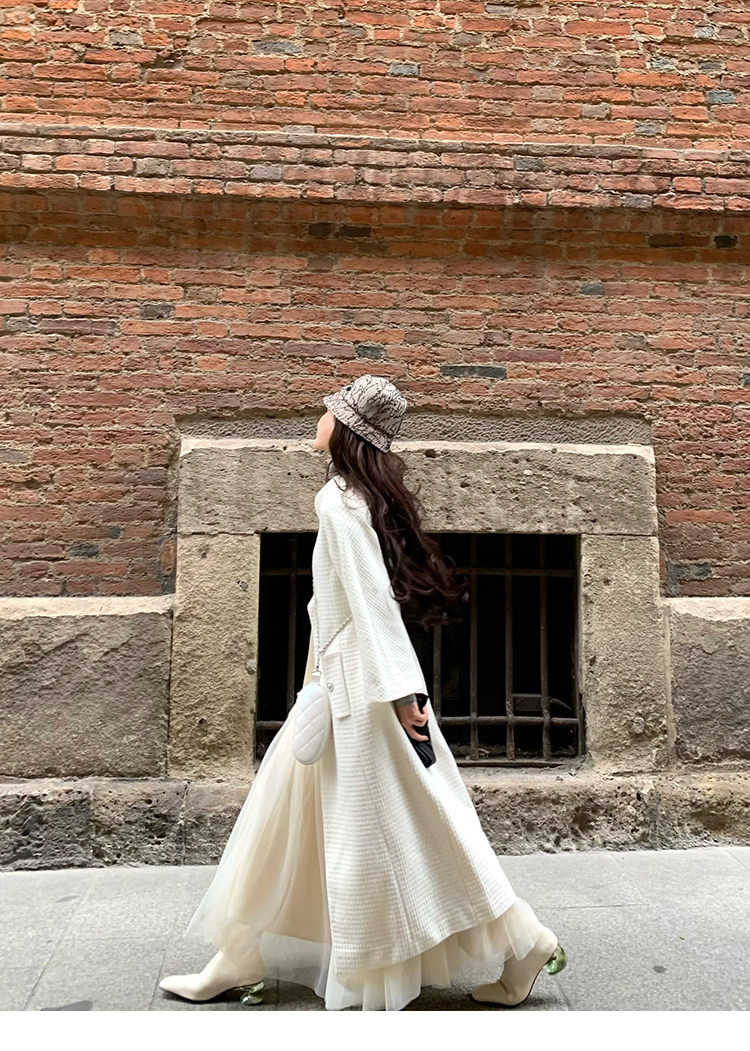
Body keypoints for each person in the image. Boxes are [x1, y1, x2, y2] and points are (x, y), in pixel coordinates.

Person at [159, 374, 567, 1011]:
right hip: (341, 686)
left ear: (346, 429)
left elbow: (372, 603)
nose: (318, 417)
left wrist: (403, 695)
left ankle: (526, 942)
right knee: (303, 813)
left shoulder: (337, 502)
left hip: (358, 694)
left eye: (328, 411)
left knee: (412, 825)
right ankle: (238, 957)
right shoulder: (354, 499)